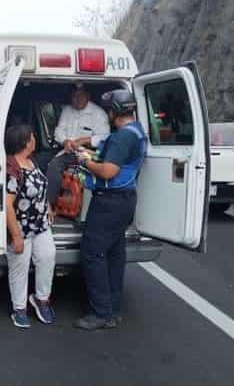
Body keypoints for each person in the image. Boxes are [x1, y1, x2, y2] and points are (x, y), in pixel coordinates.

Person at [73, 89, 147, 331]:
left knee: (92, 253)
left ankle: (100, 313)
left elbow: (108, 172)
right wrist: (95, 156)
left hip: (109, 202)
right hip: (125, 201)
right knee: (115, 255)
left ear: (114, 111)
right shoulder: (137, 132)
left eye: (109, 111)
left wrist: (85, 161)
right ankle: (113, 310)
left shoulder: (122, 137)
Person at [4, 124, 57, 329]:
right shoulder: (12, 168)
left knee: (47, 257)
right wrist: (16, 236)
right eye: (32, 136)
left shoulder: (31, 161)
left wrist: (48, 208)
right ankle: (19, 308)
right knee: (20, 267)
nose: (35, 138)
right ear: (25, 142)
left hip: (40, 224)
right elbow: (8, 204)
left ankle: (41, 299)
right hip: (21, 227)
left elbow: (40, 187)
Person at [46, 85, 111, 206]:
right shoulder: (67, 110)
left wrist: (84, 140)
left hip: (87, 152)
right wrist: (65, 141)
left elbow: (105, 137)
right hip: (66, 149)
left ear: (87, 96)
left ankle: (49, 205)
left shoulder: (98, 113)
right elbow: (59, 131)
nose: (77, 99)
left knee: (54, 165)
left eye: (80, 95)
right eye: (74, 96)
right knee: (38, 159)